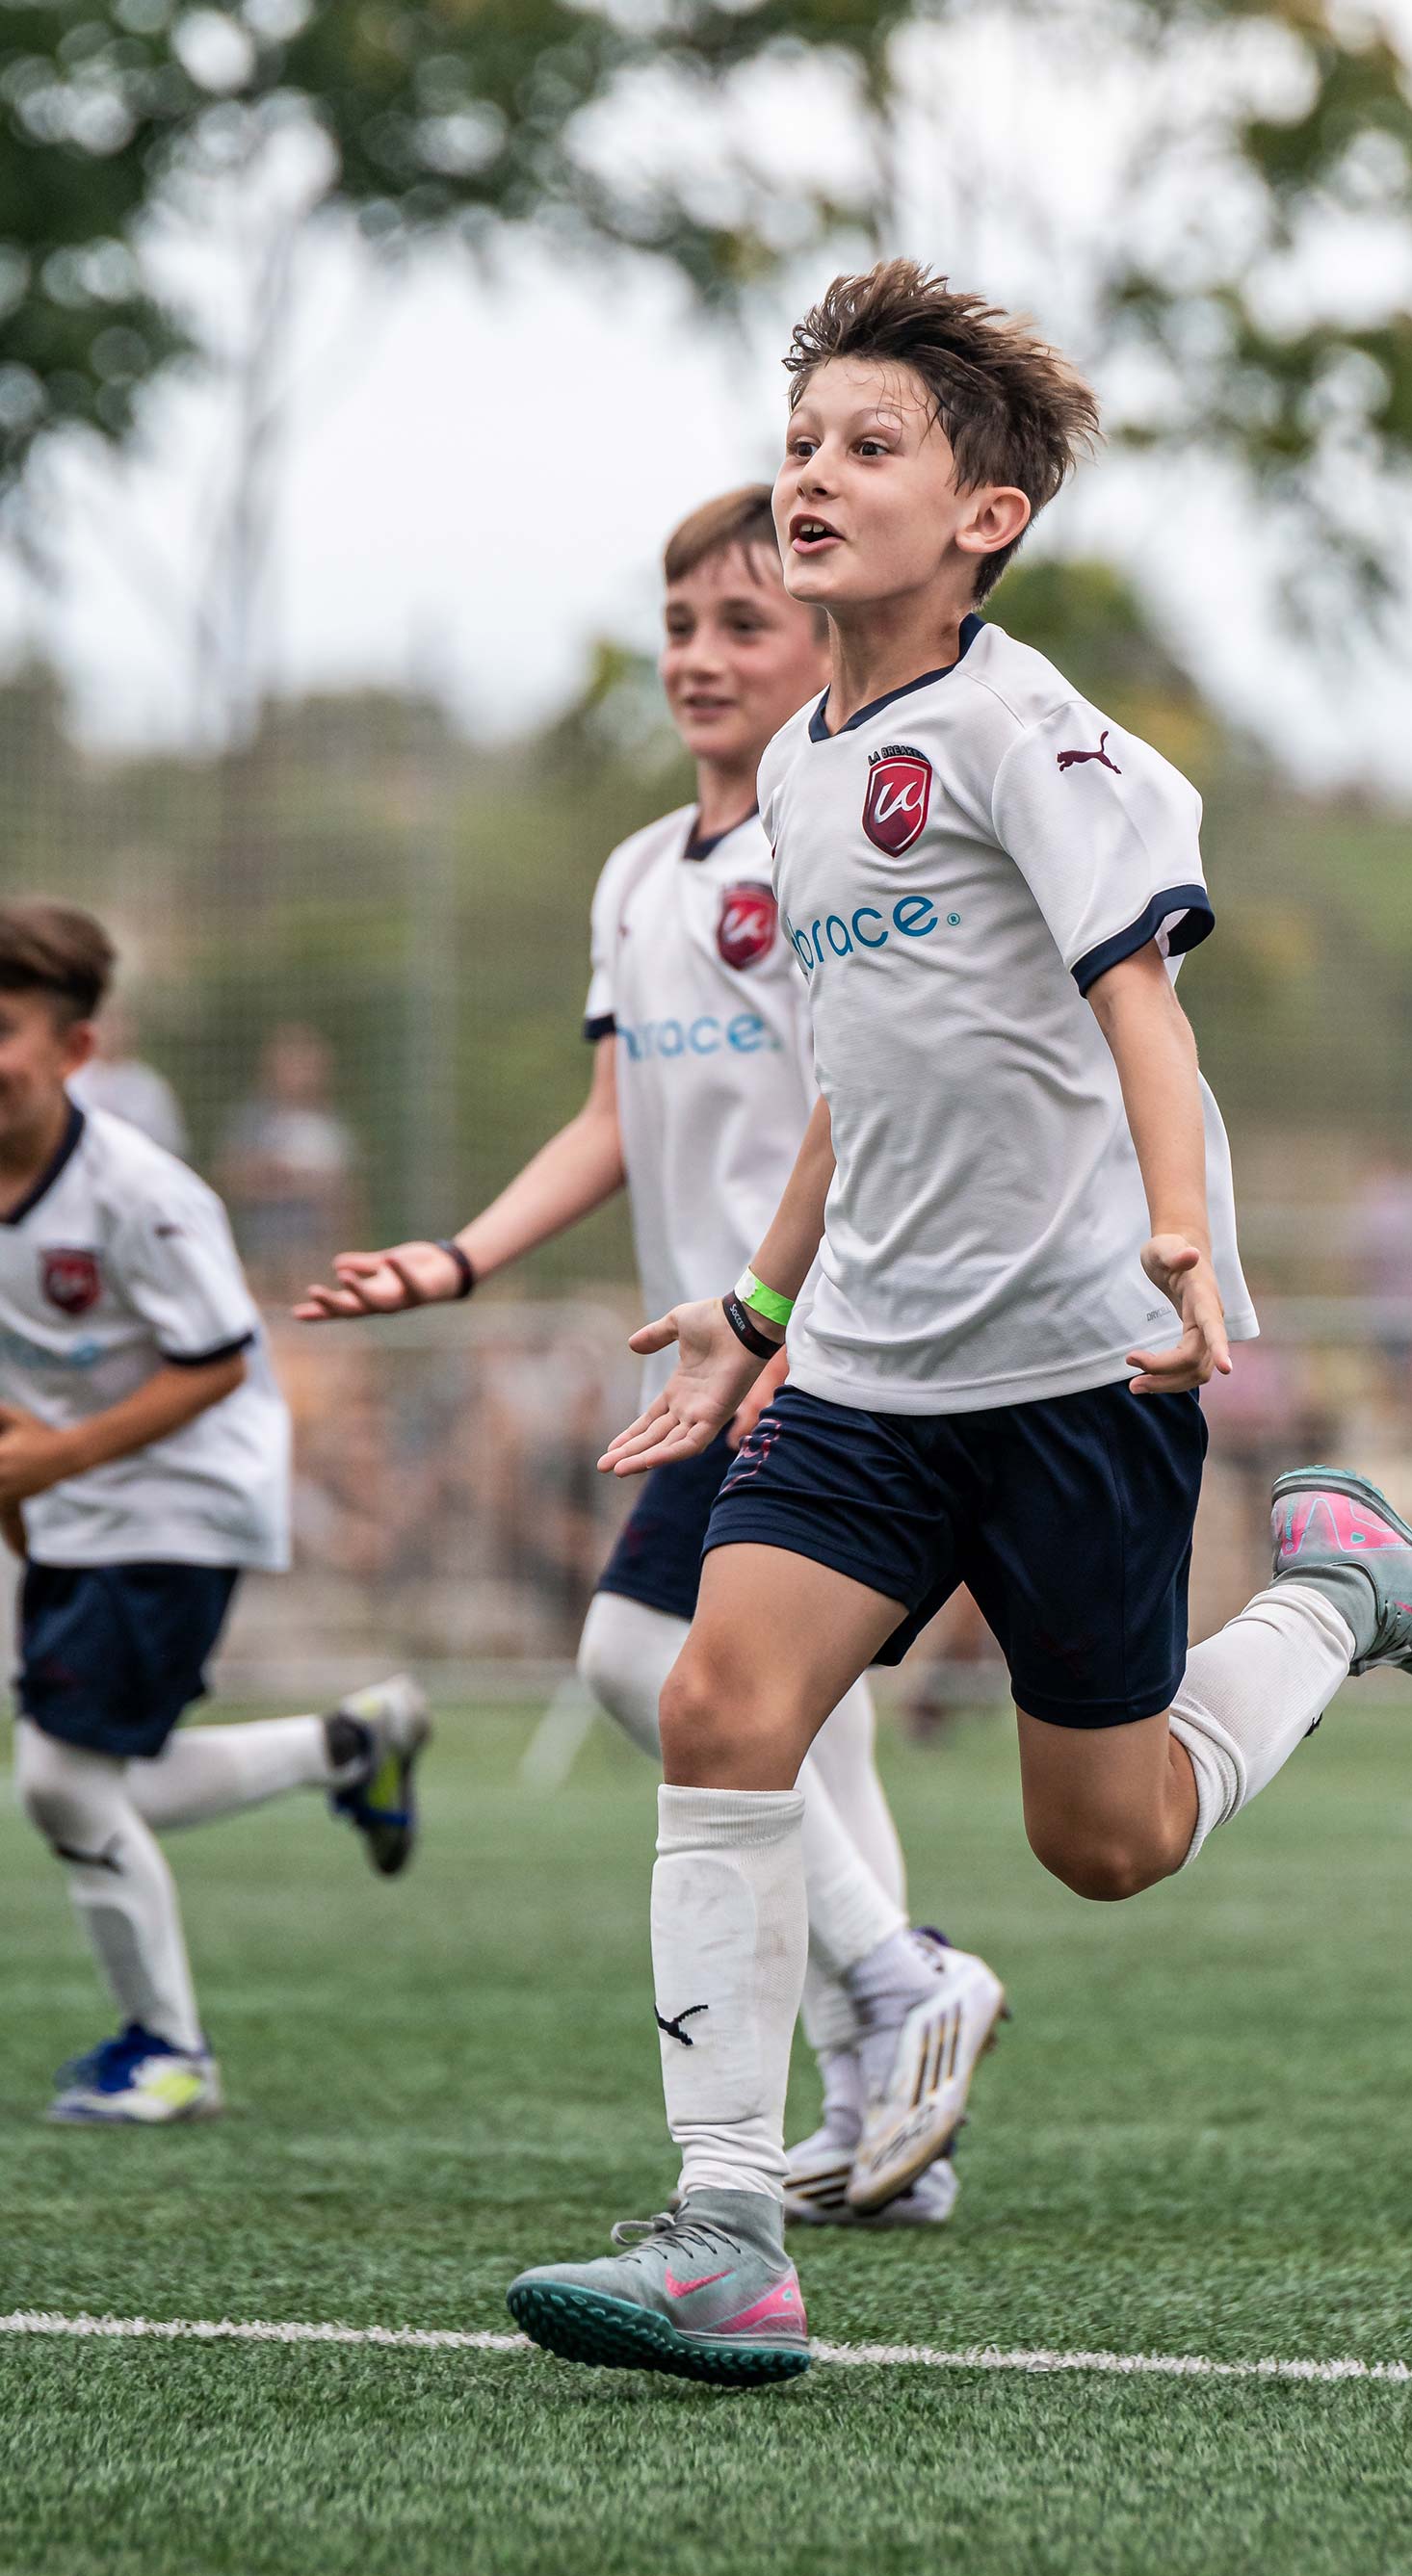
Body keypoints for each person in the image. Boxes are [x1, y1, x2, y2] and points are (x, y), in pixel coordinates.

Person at [504, 262, 1412, 2389]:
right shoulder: (801, 772)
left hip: (1079, 1363)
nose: (813, 476)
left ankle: (1338, 1591)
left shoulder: (1030, 734)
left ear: (986, 516)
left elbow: (1144, 1003)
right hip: (870, 1369)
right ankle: (723, 2228)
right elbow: (851, 1081)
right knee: (711, 1701)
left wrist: (1180, 1240)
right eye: (800, 442)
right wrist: (757, 1309)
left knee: (1104, 1839)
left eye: (869, 446)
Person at [296, 486, 995, 2231]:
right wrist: (461, 1255)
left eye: (744, 623)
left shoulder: (833, 843)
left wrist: (787, 1318)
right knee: (814, 1737)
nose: (700, 655)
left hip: (810, 1342)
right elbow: (615, 1115)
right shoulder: (634, 874)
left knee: (635, 1657)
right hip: (703, 1349)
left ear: (822, 641)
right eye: (680, 625)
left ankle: (903, 1978)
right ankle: (887, 2118)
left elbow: (875, 1099)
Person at [0, 900, 430, 2126]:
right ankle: (345, 1746)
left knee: (62, 1782)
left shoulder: (142, 1194)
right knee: (96, 1779)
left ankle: (172, 2052)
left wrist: (53, 1461)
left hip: (183, 1492)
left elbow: (217, 1364)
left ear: (77, 1051)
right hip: (80, 1495)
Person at [217, 1023, 358, 1295]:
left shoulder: (331, 1127)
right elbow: (228, 1180)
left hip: (313, 1254)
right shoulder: (251, 1123)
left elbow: (347, 1200)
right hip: (259, 1253)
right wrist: (277, 1177)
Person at [68, 1002, 189, 1158]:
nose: (111, 1031)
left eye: (117, 1023)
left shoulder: (149, 1087)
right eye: (105, 1022)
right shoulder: (72, 1080)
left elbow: (168, 1145)